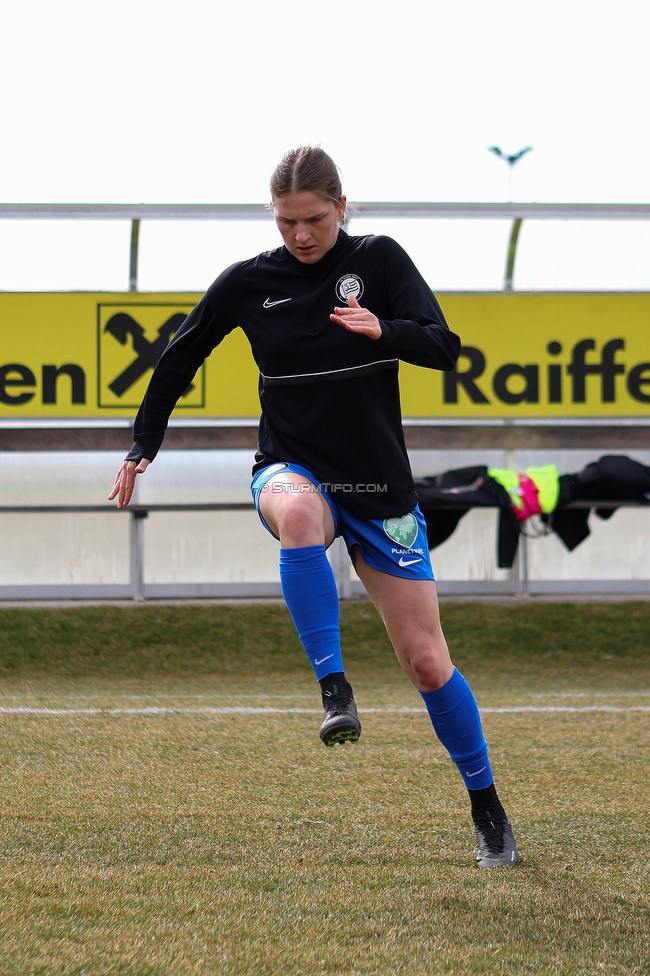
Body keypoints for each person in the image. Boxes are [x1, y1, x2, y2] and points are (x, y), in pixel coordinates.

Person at [109, 146, 519, 868]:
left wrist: (381, 330)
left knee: (426, 663)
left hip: (378, 486)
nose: (302, 234)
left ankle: (486, 806)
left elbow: (444, 347)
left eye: (315, 219)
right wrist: (143, 445)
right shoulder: (247, 282)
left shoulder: (380, 260)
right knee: (297, 515)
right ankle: (334, 690)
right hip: (292, 468)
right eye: (287, 221)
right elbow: (178, 358)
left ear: (342, 207)